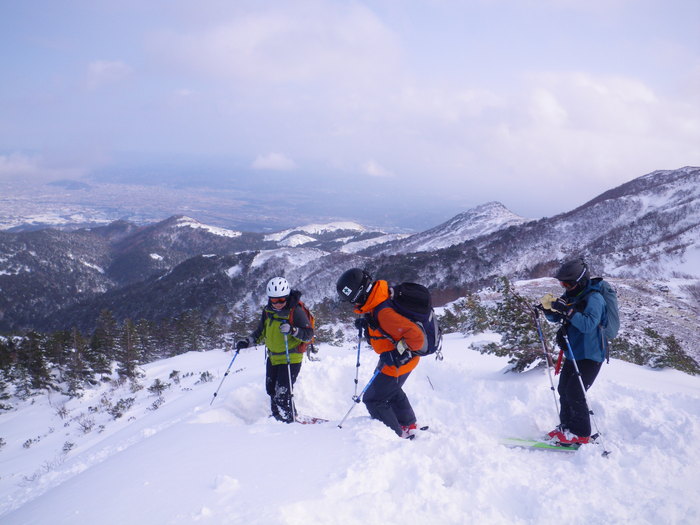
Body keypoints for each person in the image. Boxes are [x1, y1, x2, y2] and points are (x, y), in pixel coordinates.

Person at [336, 268, 426, 439]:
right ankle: (409, 424)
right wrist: (369, 326)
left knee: (373, 399)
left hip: (399, 363)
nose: (352, 305)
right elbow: (388, 331)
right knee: (390, 390)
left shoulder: (383, 311)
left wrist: (397, 354)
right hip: (400, 361)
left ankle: (395, 435)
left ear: (359, 295)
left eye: (351, 300)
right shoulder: (378, 298)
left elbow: (417, 339)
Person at [540, 258, 606, 445]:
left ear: (582, 281)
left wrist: (568, 311)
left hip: (590, 356)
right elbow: (556, 318)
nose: (565, 287)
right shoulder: (572, 295)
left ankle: (581, 433)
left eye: (569, 283)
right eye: (562, 283)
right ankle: (567, 427)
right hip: (573, 352)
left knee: (575, 393)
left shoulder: (595, 298)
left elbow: (587, 324)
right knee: (564, 390)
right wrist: (548, 310)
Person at [236, 277, 313, 423]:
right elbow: (260, 331)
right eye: (274, 300)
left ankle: (289, 420)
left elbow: (309, 335)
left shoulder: (295, 311)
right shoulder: (267, 311)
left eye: (281, 300)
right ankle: (277, 418)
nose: (277, 304)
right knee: (271, 390)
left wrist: (293, 330)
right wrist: (248, 341)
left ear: (287, 296)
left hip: (291, 358)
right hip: (273, 357)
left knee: (282, 394)